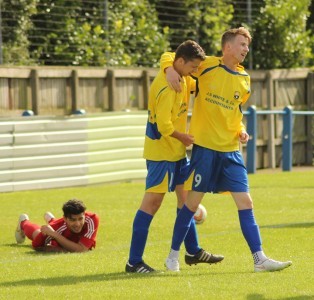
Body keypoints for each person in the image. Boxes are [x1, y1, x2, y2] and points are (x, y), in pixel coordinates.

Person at [161, 27, 292, 272]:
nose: (246, 49)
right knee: (191, 204)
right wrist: (169, 69)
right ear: (227, 47)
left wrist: (240, 130)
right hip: (206, 150)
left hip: (231, 151)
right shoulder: (207, 65)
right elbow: (172, 56)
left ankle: (259, 259)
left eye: (247, 45)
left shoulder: (245, 79)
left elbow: (235, 113)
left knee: (246, 202)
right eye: (242, 44)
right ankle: (172, 256)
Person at [125, 40, 224, 273]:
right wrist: (184, 137)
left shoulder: (182, 76)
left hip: (176, 153)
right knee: (152, 203)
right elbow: (163, 126)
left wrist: (169, 67)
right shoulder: (168, 86)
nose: (194, 72)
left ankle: (193, 251)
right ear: (181, 62)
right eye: (192, 67)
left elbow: (168, 54)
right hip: (162, 153)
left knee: (186, 200)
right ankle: (133, 261)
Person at [15, 198, 99, 252]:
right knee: (37, 233)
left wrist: (55, 235)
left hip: (58, 229)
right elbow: (36, 246)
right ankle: (23, 222)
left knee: (55, 227)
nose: (77, 224)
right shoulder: (55, 229)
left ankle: (52, 220)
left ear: (84, 214)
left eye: (80, 219)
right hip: (57, 228)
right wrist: (54, 235)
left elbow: (82, 250)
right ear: (65, 219)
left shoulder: (92, 219)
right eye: (73, 220)